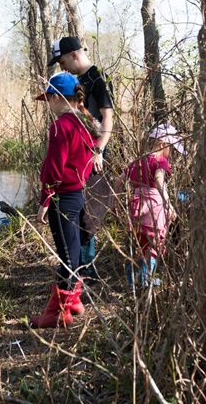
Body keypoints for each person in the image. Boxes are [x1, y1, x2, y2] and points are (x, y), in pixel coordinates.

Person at [31, 72, 99, 328]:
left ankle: (57, 314)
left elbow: (53, 168)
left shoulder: (61, 126)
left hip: (64, 198)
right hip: (80, 195)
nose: (48, 103)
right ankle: (74, 302)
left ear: (58, 98)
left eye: (49, 98)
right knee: (73, 252)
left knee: (67, 257)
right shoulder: (85, 124)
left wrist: (44, 200)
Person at [49, 36, 114, 283]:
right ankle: (76, 263)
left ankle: (85, 267)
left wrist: (99, 150)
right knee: (76, 206)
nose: (62, 66)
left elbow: (108, 117)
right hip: (79, 148)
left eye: (62, 61)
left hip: (93, 151)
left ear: (74, 55)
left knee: (87, 209)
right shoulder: (77, 81)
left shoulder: (96, 79)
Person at [113, 122, 185, 288]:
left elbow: (118, 181)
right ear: (163, 144)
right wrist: (168, 205)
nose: (171, 153)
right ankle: (146, 281)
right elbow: (159, 181)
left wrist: (115, 203)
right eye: (171, 149)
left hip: (136, 207)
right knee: (153, 246)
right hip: (154, 209)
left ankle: (132, 282)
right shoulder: (160, 162)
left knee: (139, 245)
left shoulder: (137, 162)